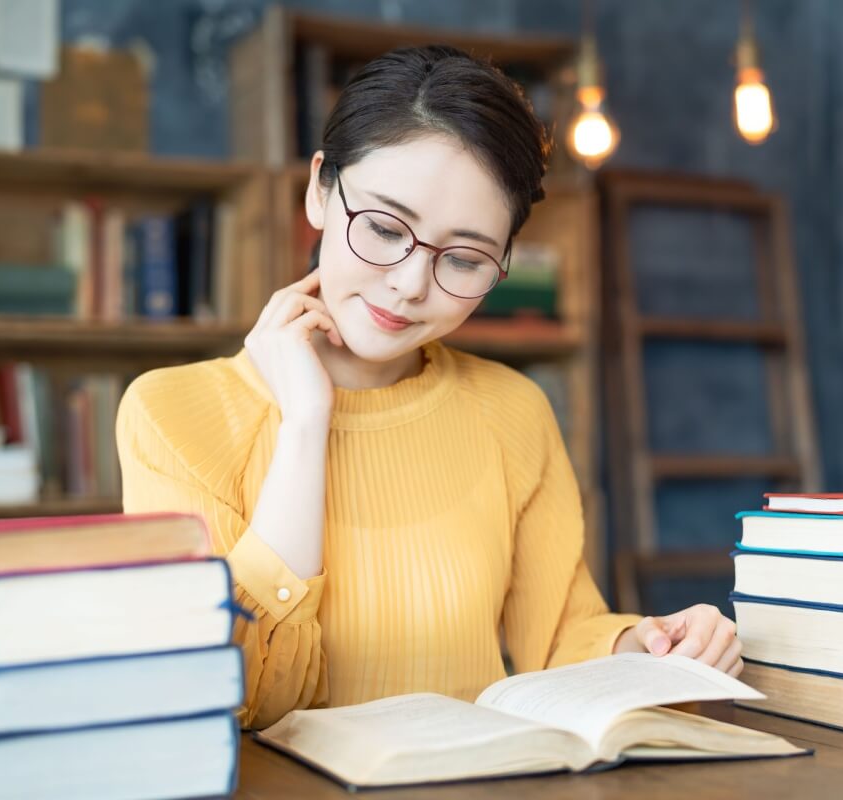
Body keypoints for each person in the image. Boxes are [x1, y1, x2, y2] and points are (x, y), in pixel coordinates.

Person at [116, 44, 743, 731]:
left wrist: (652, 646)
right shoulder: (171, 416)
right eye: (385, 228)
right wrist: (304, 425)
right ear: (320, 190)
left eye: (466, 259)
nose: (410, 285)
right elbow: (230, 699)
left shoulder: (511, 412)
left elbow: (564, 640)